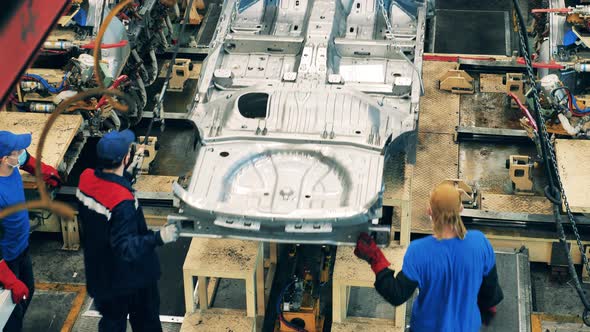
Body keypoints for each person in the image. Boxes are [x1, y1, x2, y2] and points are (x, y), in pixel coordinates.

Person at [354, 182, 503, 332]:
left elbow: (397, 295)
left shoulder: (419, 251)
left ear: (429, 211)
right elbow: (490, 293)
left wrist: (375, 259)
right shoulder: (480, 242)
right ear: (461, 208)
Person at [76, 129, 180, 332]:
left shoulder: (85, 179)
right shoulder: (122, 202)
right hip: (131, 279)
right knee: (146, 321)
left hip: (101, 276)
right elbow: (125, 247)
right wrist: (159, 237)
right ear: (125, 157)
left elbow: (104, 190)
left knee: (111, 323)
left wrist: (127, 175)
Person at [0, 131, 62, 332]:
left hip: (22, 248)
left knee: (28, 292)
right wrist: (9, 280)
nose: (22, 153)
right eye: (17, 151)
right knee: (10, 313)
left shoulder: (12, 161)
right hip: (5, 262)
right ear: (4, 158)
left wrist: (45, 172)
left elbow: (27, 160)